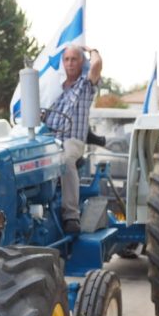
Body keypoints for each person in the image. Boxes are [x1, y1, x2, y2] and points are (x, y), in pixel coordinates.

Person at [43, 44, 102, 234]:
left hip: (72, 141)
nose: (70, 63)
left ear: (81, 62)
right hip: (51, 140)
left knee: (66, 159)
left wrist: (91, 50)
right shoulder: (54, 90)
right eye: (66, 59)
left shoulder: (85, 85)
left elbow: (96, 65)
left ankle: (71, 215)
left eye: (74, 59)